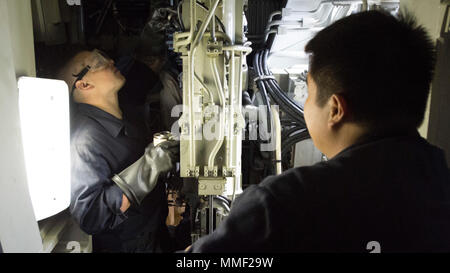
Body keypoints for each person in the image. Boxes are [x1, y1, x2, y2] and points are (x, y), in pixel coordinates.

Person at [186, 10, 450, 252]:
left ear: (335, 109)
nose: (306, 104)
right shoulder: (440, 187)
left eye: (309, 92)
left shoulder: (280, 208)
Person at [59, 49, 178, 252]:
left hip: (155, 229)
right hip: (131, 245)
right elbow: (91, 217)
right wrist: (149, 167)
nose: (110, 61)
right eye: (98, 62)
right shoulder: (85, 142)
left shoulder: (125, 109)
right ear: (84, 85)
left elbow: (144, 75)